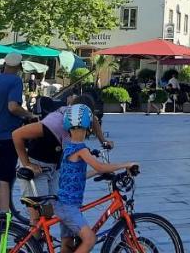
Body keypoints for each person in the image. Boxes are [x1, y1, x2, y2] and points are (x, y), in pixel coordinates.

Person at [55, 104, 138, 253]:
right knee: (90, 239)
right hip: (69, 208)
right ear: (88, 127)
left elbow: (78, 175)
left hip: (63, 203)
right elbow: (100, 166)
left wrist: (96, 173)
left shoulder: (68, 146)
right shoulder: (81, 149)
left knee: (67, 246)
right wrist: (126, 164)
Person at [11, 95, 113, 214]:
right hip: (36, 164)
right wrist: (27, 164)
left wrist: (103, 141)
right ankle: (34, 231)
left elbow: (94, 120)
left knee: (52, 209)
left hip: (55, 165)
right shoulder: (54, 123)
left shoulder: (80, 117)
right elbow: (17, 135)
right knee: (38, 214)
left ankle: (46, 230)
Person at [0, 53, 36, 213]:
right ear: (18, 67)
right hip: (6, 136)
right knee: (5, 175)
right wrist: (29, 115)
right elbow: (13, 107)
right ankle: (5, 215)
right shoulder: (16, 80)